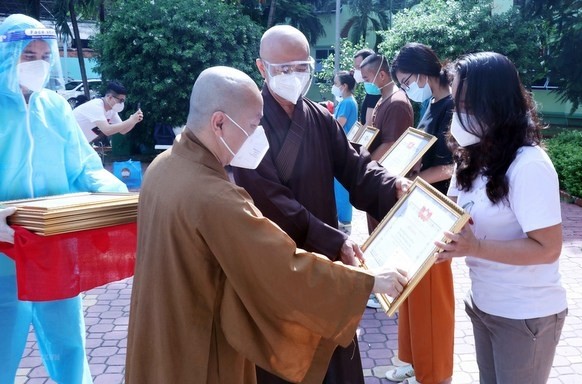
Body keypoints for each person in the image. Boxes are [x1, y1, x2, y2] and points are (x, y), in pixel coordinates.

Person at [125, 66, 408, 383]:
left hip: (161, 328)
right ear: (219, 122)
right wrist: (366, 282)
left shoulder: (162, 168)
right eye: (251, 125)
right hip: (199, 344)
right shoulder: (215, 198)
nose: (257, 135)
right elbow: (284, 268)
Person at [232, 25, 411, 384]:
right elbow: (271, 201)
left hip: (327, 264)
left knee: (333, 357)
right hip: (279, 265)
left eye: (301, 67)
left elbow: (355, 166)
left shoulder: (319, 117)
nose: (292, 76)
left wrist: (394, 186)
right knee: (284, 363)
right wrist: (336, 241)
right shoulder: (248, 124)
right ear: (261, 67)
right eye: (282, 69)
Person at [0, 14, 128, 384]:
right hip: (3, 255)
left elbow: (83, 166)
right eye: (28, 56)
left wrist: (115, 198)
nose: (38, 64)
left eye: (44, 55)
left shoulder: (54, 108)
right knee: (3, 346)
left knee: (69, 343)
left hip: (53, 249)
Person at [436, 52, 568, 383]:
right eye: (456, 105)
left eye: (466, 105)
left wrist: (475, 247)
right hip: (483, 304)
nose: (458, 115)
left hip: (525, 314)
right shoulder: (470, 158)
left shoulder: (529, 165)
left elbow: (547, 248)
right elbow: (449, 214)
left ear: (493, 104)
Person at [385, 43, 456, 384]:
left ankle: (434, 372)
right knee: (410, 290)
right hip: (420, 205)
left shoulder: (455, 107)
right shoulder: (431, 104)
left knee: (432, 297)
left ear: (425, 72)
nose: (405, 88)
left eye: (406, 80)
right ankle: (411, 359)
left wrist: (413, 178)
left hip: (439, 211)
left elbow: (454, 165)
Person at [360, 53, 414, 235]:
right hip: (379, 176)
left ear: (381, 75)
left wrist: (364, 167)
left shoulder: (397, 102)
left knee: (383, 234)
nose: (366, 84)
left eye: (367, 79)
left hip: (389, 180)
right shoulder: (383, 99)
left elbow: (390, 144)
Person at [72, 80, 143, 146]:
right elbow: (107, 130)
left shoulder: (112, 111)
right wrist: (131, 120)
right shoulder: (96, 106)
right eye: (120, 100)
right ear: (110, 97)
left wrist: (134, 121)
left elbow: (123, 130)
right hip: (68, 140)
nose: (122, 103)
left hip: (79, 143)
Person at [331, 70, 358, 234]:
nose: (334, 87)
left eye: (336, 84)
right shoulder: (348, 101)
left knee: (341, 187)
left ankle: (344, 222)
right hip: (342, 147)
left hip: (342, 148)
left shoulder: (347, 102)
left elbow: (338, 124)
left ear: (344, 86)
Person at [353, 48, 381, 125]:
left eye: (359, 67)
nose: (356, 71)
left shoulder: (374, 90)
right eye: (355, 67)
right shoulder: (370, 89)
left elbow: (368, 124)